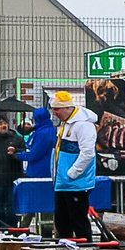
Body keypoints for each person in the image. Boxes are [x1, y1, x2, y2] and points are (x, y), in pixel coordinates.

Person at [44, 91, 97, 242]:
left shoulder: (83, 125)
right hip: (62, 182)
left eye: (57, 109)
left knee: (78, 220)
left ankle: (85, 249)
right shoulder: (65, 124)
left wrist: (72, 173)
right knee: (62, 221)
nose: (55, 113)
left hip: (75, 183)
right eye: (53, 109)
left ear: (68, 108)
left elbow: (88, 153)